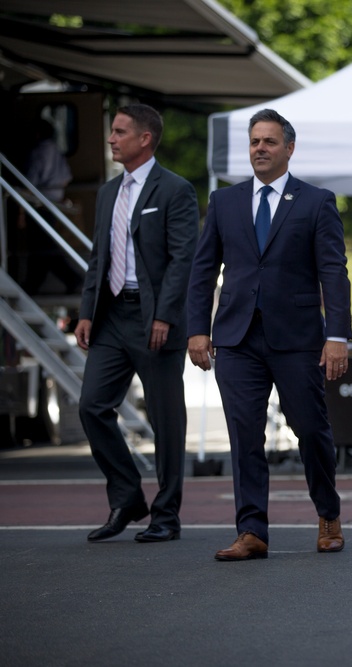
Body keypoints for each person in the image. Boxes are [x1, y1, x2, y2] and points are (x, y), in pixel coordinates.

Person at [187, 109, 352, 561]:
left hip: (297, 338)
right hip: (237, 339)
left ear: (289, 148)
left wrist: (336, 334)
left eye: (270, 142)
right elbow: (203, 271)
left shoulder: (316, 201)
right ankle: (252, 531)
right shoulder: (225, 202)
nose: (260, 148)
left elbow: (333, 273)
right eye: (254, 141)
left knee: (311, 430)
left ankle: (328, 513)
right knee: (244, 435)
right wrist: (198, 329)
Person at [76, 104, 199, 543]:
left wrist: (165, 314)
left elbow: (184, 259)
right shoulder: (109, 192)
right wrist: (86, 311)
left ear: (144, 138)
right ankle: (127, 497)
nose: (111, 139)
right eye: (112, 132)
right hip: (111, 317)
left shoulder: (175, 190)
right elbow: (98, 257)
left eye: (119, 132)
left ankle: (166, 516)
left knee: (166, 421)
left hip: (154, 318)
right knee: (91, 406)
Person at [19, 117, 81, 295]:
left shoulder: (38, 152)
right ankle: (35, 282)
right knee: (43, 246)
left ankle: (67, 278)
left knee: (41, 246)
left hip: (40, 203)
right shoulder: (56, 150)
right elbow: (66, 177)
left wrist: (21, 212)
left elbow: (29, 184)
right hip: (54, 202)